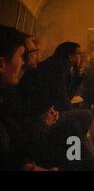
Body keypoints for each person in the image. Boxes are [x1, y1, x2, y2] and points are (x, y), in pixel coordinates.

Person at [0, 25, 56, 171]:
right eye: (22, 54)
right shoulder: (13, 86)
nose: (23, 62)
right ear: (2, 64)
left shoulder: (7, 89)